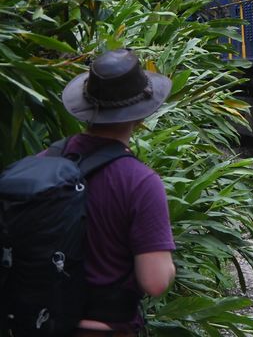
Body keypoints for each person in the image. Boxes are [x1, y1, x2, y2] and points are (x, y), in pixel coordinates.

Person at [59, 48, 177, 337]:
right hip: (105, 329)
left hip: (37, 322)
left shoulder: (44, 162)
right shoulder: (140, 182)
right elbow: (155, 282)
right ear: (141, 116)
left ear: (86, 108)